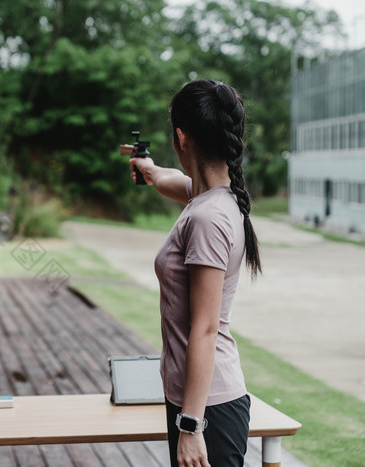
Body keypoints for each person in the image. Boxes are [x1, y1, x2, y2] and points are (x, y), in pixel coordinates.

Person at [129, 79, 261, 467]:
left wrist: (191, 425)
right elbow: (172, 180)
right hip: (198, 402)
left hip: (207, 410)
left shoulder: (207, 217)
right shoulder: (215, 197)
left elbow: (203, 329)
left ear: (181, 138)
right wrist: (148, 168)